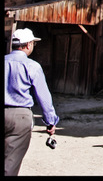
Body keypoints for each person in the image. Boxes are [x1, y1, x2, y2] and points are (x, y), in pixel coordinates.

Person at [5, 28, 59, 176]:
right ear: (28, 45)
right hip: (20, 117)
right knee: (11, 162)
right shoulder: (32, 66)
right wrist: (50, 122)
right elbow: (44, 97)